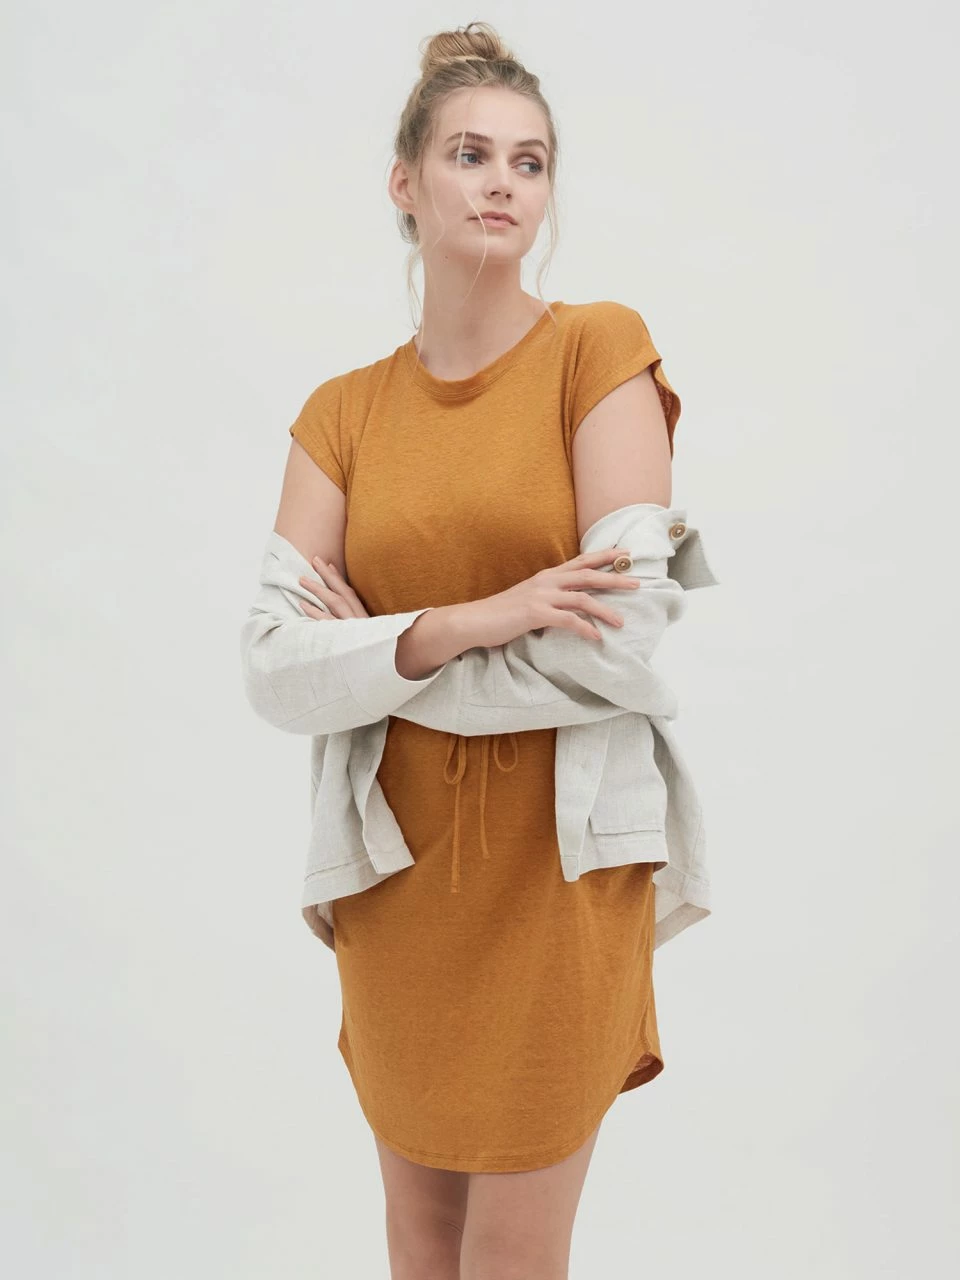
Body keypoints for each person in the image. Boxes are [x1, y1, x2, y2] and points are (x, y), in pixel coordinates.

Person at [270, 21, 690, 1280]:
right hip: (396, 877)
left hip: (556, 879)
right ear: (407, 182)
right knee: (421, 1244)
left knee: (510, 1253)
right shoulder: (343, 411)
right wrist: (473, 617)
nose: (503, 182)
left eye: (529, 160)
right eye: (470, 154)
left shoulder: (597, 351)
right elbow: (273, 667)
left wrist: (380, 656)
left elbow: (623, 640)